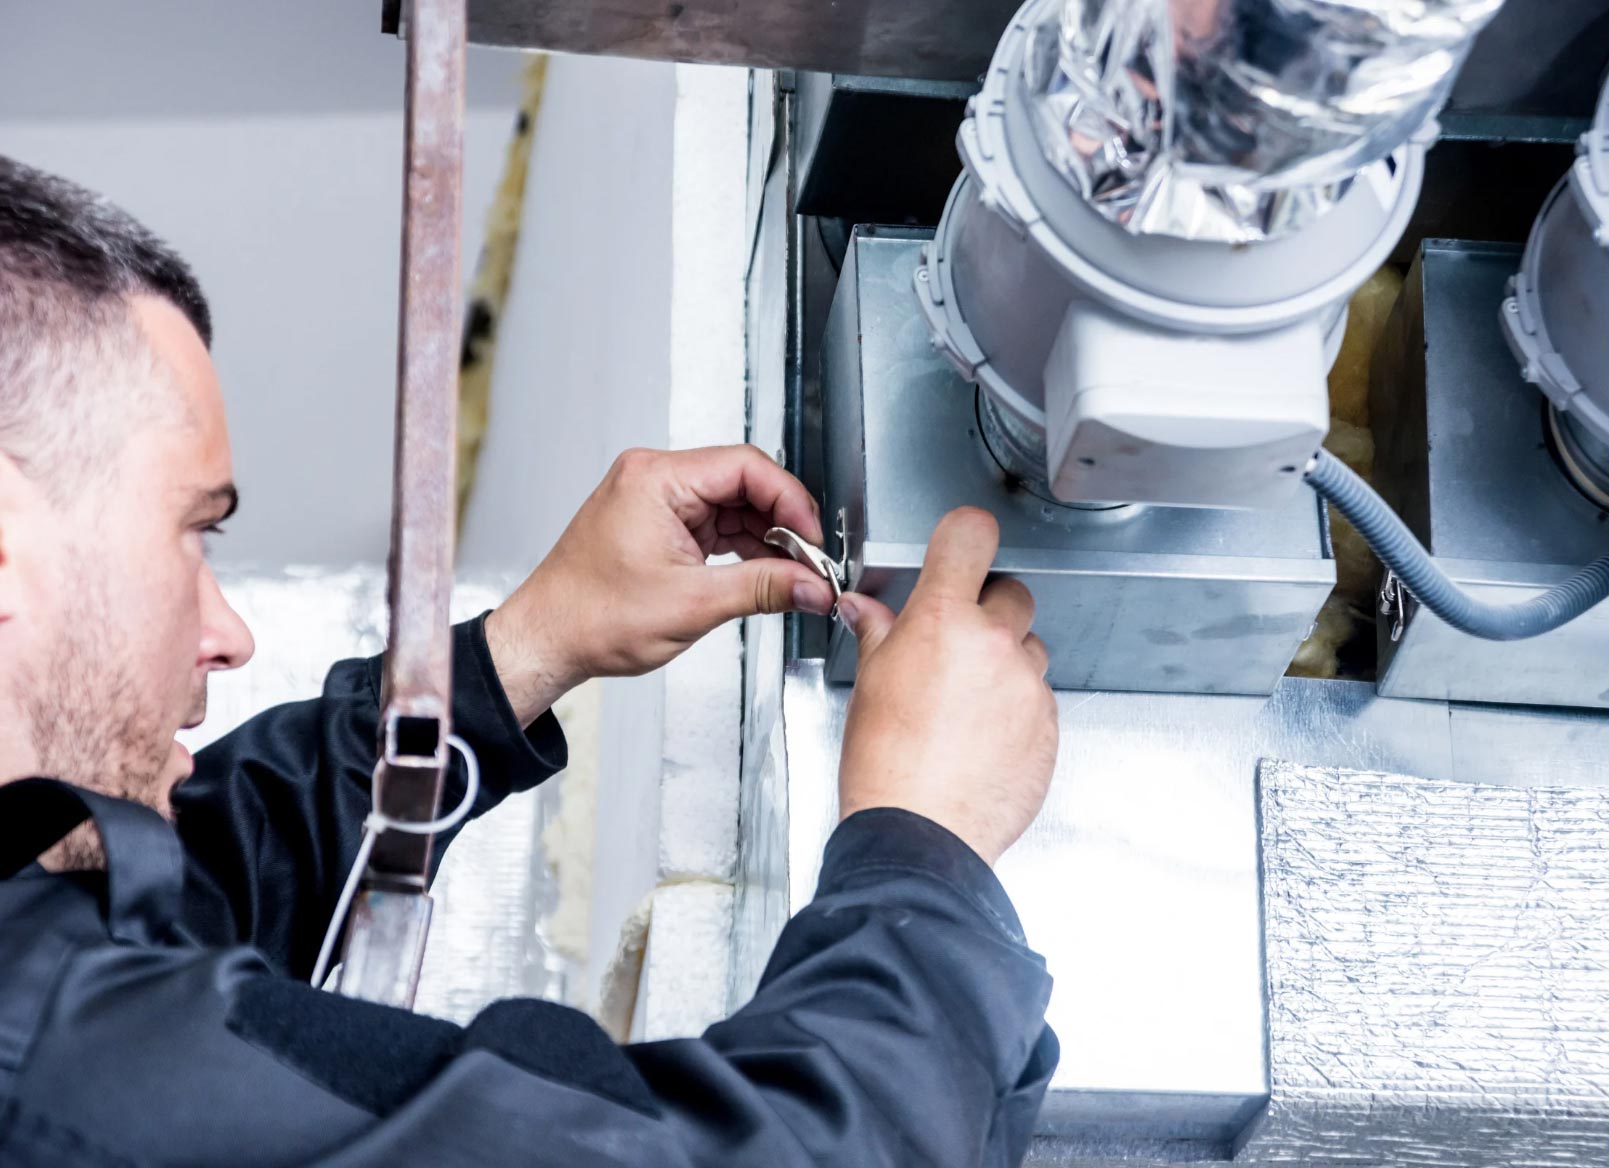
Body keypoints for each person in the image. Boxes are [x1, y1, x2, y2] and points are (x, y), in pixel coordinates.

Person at [0, 155, 1061, 1167]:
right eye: (194, 531)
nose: (228, 633)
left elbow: (193, 880)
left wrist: (525, 650)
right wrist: (923, 845)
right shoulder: (47, 1072)